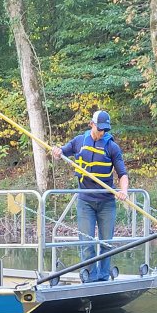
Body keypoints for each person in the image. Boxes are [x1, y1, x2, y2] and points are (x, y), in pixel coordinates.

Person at [52, 109, 129, 282]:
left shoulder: (111, 146)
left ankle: (103, 277)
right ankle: (89, 276)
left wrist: (123, 191)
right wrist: (57, 152)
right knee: (86, 242)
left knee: (106, 243)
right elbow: (61, 152)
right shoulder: (79, 141)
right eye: (99, 128)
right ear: (91, 124)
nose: (102, 132)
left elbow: (122, 174)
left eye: (105, 130)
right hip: (85, 202)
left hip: (106, 202)